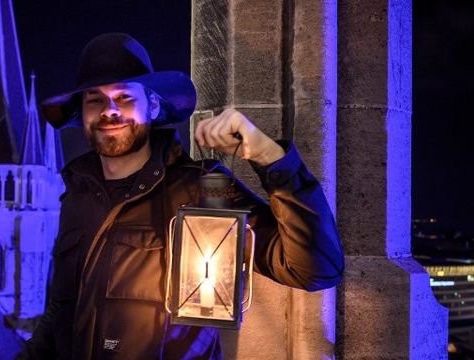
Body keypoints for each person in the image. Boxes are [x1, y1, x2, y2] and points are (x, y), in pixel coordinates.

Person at [20, 33, 343, 359]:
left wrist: (271, 158)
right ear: (83, 113)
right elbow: (60, 313)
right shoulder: (76, 196)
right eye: (95, 100)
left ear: (154, 105)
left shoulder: (203, 188)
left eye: (125, 97)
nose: (110, 110)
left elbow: (315, 269)